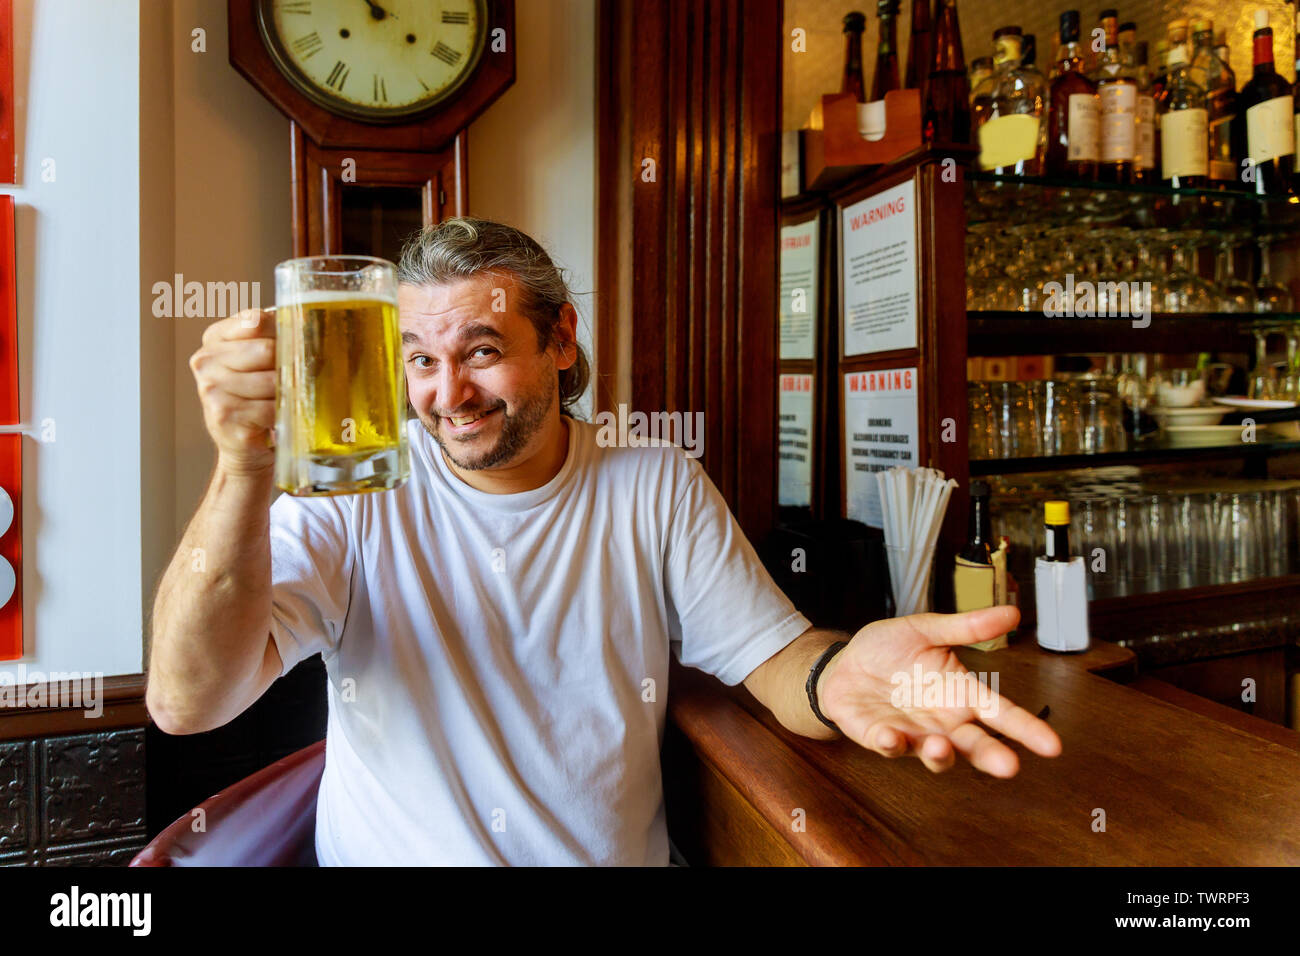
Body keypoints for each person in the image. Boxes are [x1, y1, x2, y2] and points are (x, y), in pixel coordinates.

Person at [147, 217, 1059, 866]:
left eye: (481, 348)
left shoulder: (653, 481)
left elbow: (778, 661)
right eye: (420, 360)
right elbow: (187, 703)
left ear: (562, 341)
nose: (448, 394)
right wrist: (242, 465)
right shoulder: (354, 496)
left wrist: (843, 672)